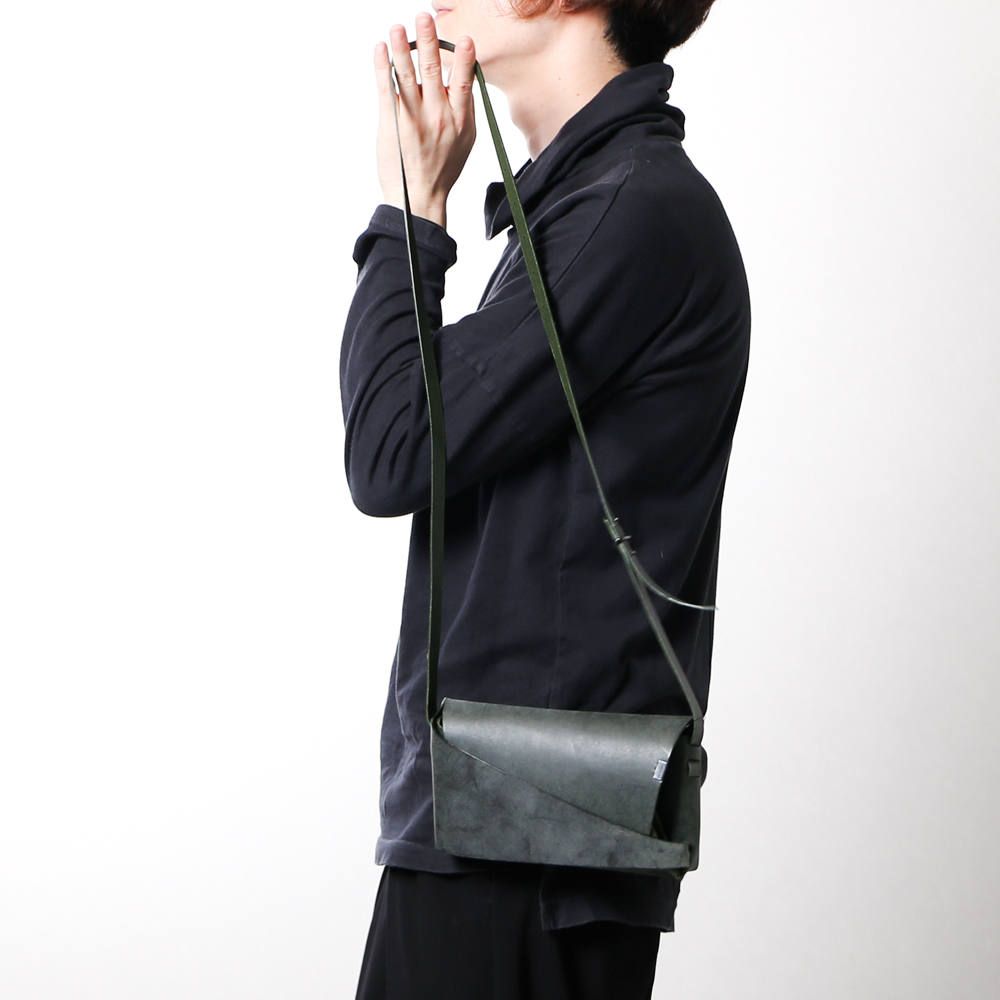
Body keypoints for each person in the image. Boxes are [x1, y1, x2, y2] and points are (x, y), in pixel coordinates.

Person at [342, 1, 749, 996]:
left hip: (523, 847)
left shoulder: (630, 212)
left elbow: (391, 447)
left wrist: (410, 211)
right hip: (511, 833)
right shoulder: (599, 207)